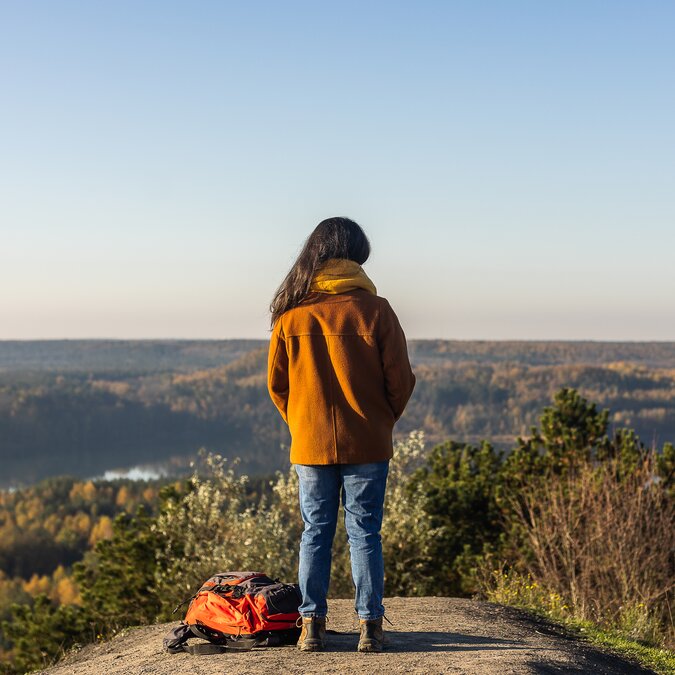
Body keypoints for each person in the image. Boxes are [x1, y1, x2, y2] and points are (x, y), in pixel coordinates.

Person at [267, 217, 416, 653]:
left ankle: (311, 625)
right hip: (368, 440)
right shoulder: (376, 310)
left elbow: (277, 386)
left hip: (309, 445)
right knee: (365, 531)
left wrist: (301, 423)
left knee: (314, 531)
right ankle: (370, 626)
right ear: (355, 258)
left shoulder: (291, 315)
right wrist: (382, 419)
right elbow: (400, 380)